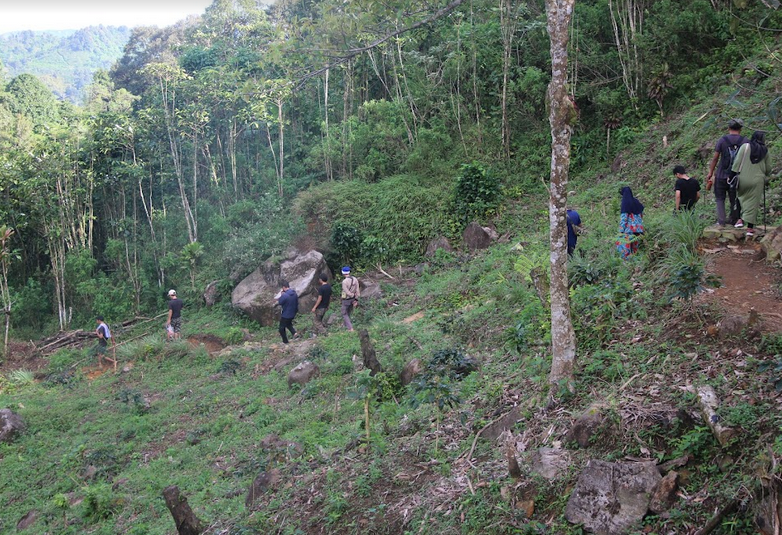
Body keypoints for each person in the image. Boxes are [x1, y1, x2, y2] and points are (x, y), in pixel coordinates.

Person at [705, 119, 747, 227]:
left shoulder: (722, 140)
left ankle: (721, 221)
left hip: (721, 175)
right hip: (738, 176)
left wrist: (710, 172)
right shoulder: (745, 141)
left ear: (728, 128)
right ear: (740, 129)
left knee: (720, 198)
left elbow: (715, 158)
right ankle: (735, 220)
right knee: (735, 198)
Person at [731, 130, 771, 238]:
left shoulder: (745, 147)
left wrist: (731, 176)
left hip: (743, 178)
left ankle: (739, 220)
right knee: (753, 203)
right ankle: (749, 228)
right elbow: (768, 169)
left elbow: (736, 163)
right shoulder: (765, 151)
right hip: (757, 180)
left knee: (740, 197)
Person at [616, 186, 645, 259]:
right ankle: (636, 262)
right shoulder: (636, 202)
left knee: (624, 248)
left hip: (628, 230)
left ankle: (627, 262)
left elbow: (624, 218)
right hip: (638, 229)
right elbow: (641, 215)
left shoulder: (625, 203)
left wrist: (621, 230)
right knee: (635, 249)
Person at [340, 266, 360, 332]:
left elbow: (346, 291)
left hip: (346, 299)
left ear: (343, 273)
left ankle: (350, 328)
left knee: (344, 313)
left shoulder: (344, 282)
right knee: (348, 313)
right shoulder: (355, 279)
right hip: (353, 299)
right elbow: (357, 290)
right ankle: (346, 326)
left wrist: (351, 295)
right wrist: (356, 298)